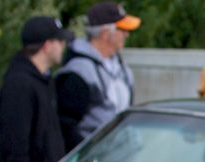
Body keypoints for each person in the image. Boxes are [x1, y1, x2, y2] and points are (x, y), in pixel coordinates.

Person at [0, 17, 72, 162]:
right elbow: (14, 144)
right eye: (60, 41)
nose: (63, 46)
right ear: (47, 45)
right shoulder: (20, 85)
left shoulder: (44, 81)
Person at [55, 2, 141, 150]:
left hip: (118, 161)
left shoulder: (122, 69)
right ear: (105, 33)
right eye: (122, 29)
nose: (126, 34)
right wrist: (87, 155)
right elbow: (65, 126)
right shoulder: (79, 72)